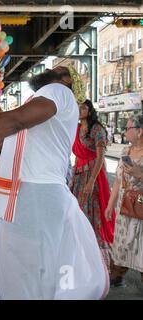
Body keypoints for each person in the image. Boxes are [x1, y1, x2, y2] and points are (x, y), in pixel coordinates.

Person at [0, 66, 109, 299]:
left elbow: (14, 121)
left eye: (59, 69)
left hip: (36, 198)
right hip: (31, 197)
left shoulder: (58, 91)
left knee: (25, 272)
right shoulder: (41, 105)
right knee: (31, 271)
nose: (51, 68)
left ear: (66, 80)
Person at [70, 99, 115, 267]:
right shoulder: (76, 128)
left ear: (89, 111)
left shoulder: (97, 129)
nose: (80, 110)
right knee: (77, 211)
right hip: (78, 175)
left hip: (92, 177)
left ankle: (94, 258)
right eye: (78, 107)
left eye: (83, 107)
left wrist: (91, 181)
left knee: (92, 212)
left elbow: (100, 156)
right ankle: (80, 251)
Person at [106, 115, 143, 288]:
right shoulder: (125, 152)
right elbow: (118, 181)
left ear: (139, 131)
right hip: (124, 207)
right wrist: (110, 204)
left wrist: (140, 174)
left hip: (141, 208)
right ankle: (117, 275)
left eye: (127, 128)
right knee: (121, 243)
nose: (124, 131)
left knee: (140, 245)